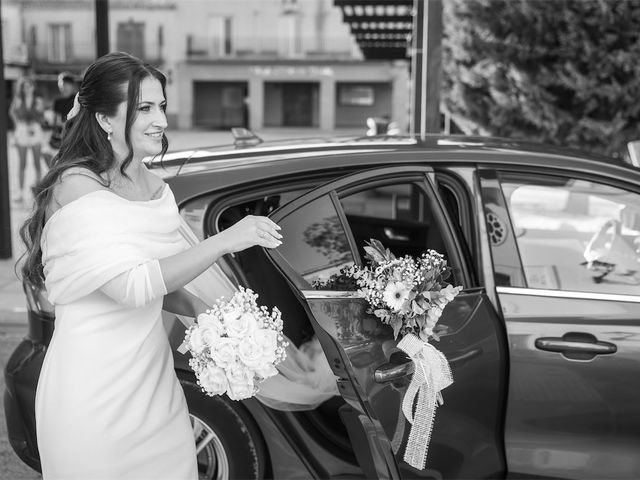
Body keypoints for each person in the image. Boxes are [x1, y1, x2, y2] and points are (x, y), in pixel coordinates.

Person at [19, 51, 283, 480]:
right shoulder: (75, 187)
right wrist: (225, 241)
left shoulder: (158, 188)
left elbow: (159, 282)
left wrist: (208, 318)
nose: (159, 118)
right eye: (143, 108)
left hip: (154, 389)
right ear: (104, 119)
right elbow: (131, 287)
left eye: (161, 105)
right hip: (91, 394)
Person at [10, 76, 45, 203]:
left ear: (33, 87)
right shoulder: (18, 99)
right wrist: (18, 125)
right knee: (22, 163)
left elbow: (42, 118)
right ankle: (20, 192)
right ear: (22, 88)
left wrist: (38, 114)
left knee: (37, 162)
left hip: (35, 130)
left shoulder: (38, 101)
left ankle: (39, 191)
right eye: (25, 86)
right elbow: (12, 112)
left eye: (29, 86)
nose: (27, 88)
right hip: (23, 130)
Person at [42, 72, 78, 167]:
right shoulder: (57, 101)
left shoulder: (77, 100)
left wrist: (66, 124)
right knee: (46, 153)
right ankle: (55, 175)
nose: (64, 87)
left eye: (67, 84)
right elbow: (55, 120)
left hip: (72, 136)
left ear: (71, 85)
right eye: (62, 84)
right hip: (58, 135)